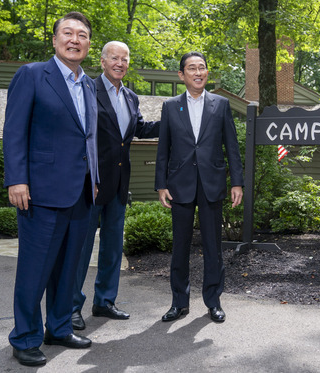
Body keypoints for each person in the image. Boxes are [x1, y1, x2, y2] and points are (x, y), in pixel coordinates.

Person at [3, 11, 98, 367]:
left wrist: (96, 180)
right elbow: (14, 130)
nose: (75, 39)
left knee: (68, 268)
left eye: (83, 35)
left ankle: (58, 327)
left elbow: (88, 140)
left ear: (88, 44)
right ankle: (25, 337)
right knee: (35, 269)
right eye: (68, 33)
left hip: (81, 193)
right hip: (40, 192)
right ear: (55, 39)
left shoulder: (88, 85)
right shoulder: (31, 75)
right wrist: (16, 178)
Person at [71, 41, 160, 330]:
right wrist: (88, 177)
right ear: (102, 61)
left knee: (112, 248)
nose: (120, 63)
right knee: (81, 249)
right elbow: (80, 136)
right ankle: (71, 306)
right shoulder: (88, 90)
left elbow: (139, 129)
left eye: (124, 58)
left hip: (120, 186)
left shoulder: (131, 97)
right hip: (92, 185)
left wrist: (173, 117)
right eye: (114, 58)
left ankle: (104, 301)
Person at [155, 51, 244, 323]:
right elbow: (163, 149)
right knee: (179, 247)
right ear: (182, 75)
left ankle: (213, 301)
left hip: (211, 184)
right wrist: (161, 185)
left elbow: (231, 145)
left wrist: (237, 182)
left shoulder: (221, 104)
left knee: (212, 247)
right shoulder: (171, 106)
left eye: (202, 67)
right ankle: (179, 303)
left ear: (207, 73)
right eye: (191, 68)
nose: (197, 72)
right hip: (179, 186)